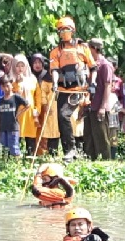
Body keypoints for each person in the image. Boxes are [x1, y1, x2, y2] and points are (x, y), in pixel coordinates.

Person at [49, 16, 96, 161]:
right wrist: (55, 83)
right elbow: (55, 70)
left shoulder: (82, 48)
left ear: (73, 30)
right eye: (61, 30)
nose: (63, 32)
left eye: (66, 29)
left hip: (79, 90)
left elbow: (93, 67)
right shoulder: (55, 51)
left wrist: (92, 83)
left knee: (65, 115)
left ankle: (73, 149)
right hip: (63, 89)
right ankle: (69, 151)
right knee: (61, 119)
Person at [83, 38, 114, 160]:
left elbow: (108, 87)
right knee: (89, 138)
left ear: (94, 49)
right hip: (89, 106)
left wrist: (102, 107)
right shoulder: (89, 64)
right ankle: (91, 162)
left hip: (99, 107)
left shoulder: (105, 65)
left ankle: (106, 163)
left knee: (101, 138)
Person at [12, 54, 41, 156]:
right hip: (17, 114)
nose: (20, 68)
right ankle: (15, 161)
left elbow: (38, 96)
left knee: (31, 139)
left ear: (26, 66)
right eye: (17, 66)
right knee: (16, 137)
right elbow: (11, 95)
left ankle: (29, 159)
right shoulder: (11, 79)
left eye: (22, 66)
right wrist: (17, 83)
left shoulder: (32, 79)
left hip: (30, 114)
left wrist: (37, 109)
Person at [31, 53, 60, 155]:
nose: (37, 65)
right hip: (37, 108)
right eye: (35, 62)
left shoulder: (48, 76)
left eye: (39, 62)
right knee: (38, 131)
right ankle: (37, 153)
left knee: (52, 131)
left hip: (52, 108)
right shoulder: (30, 75)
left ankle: (51, 152)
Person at [0, 75, 29, 157]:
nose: (6, 88)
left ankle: (17, 166)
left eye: (8, 85)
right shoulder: (0, 100)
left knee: (14, 148)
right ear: (1, 87)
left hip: (13, 127)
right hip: (3, 128)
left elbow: (27, 105)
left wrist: (19, 113)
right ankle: (5, 166)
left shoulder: (15, 97)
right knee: (4, 149)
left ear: (11, 85)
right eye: (3, 86)